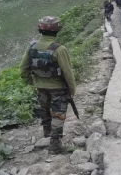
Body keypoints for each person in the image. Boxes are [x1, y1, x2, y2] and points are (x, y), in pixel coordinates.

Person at [20, 16, 76, 155]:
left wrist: (30, 82)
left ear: (40, 30)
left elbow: (23, 68)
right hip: (58, 88)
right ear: (57, 31)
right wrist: (72, 89)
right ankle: (55, 145)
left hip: (40, 86)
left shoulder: (32, 46)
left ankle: (47, 134)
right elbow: (67, 72)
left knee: (44, 111)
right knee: (58, 115)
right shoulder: (59, 49)